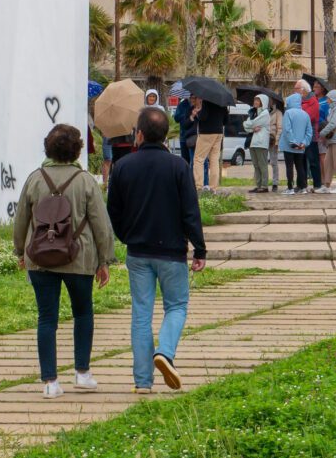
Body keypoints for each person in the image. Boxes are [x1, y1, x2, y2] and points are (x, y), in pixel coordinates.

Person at [12, 123, 116, 398]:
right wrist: (104, 260)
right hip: (79, 258)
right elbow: (100, 224)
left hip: (40, 258)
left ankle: (50, 382)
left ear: (47, 147)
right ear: (78, 150)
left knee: (47, 318)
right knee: (83, 313)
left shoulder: (35, 179)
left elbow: (21, 219)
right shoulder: (85, 181)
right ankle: (82, 374)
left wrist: (20, 251)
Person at [107, 105, 206, 394]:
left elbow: (114, 211)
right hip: (172, 251)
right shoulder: (179, 167)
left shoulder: (123, 166)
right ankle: (165, 352)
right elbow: (191, 212)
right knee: (176, 306)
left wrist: (126, 236)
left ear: (138, 134)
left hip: (138, 252)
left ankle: (142, 382)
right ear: (166, 135)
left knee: (141, 313)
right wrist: (199, 249)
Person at [280, 92, 314, 195]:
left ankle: (290, 188)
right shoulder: (305, 114)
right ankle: (303, 187)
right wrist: (304, 143)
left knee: (289, 167)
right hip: (301, 146)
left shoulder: (288, 113)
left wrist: (292, 142)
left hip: (289, 145)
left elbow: (287, 129)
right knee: (300, 166)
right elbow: (309, 131)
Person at [192, 97, 225, 192]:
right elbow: (226, 120)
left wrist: (198, 112)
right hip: (219, 132)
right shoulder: (222, 102)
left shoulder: (206, 101)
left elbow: (203, 117)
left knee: (198, 159)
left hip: (206, 133)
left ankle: (198, 186)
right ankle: (213, 187)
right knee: (214, 160)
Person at [242, 95, 272, 193]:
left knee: (262, 164)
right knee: (256, 165)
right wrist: (252, 128)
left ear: (263, 102)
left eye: (258, 100)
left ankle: (264, 186)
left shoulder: (265, 113)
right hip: (253, 142)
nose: (255, 102)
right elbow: (245, 126)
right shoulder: (253, 113)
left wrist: (250, 125)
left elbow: (251, 123)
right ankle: (258, 185)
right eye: (255, 99)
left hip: (261, 143)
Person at [173, 91, 198, 175]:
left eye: (194, 97)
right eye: (191, 97)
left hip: (196, 136)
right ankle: (185, 177)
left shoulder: (199, 104)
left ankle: (194, 178)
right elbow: (176, 118)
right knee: (185, 160)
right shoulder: (182, 104)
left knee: (196, 160)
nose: (192, 99)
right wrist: (186, 115)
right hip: (184, 136)